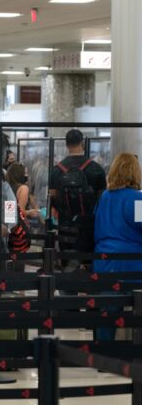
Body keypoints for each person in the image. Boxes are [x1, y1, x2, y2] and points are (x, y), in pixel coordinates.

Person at [93, 153, 142, 341]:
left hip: (105, 261)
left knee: (107, 313)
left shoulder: (105, 197)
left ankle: (102, 355)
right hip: (131, 265)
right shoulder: (137, 199)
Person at [49, 129, 106, 270]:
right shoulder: (96, 169)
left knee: (67, 268)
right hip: (89, 228)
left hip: (65, 227)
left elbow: (53, 199)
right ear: (82, 143)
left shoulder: (56, 170)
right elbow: (102, 201)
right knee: (88, 268)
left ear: (67, 145)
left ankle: (67, 290)